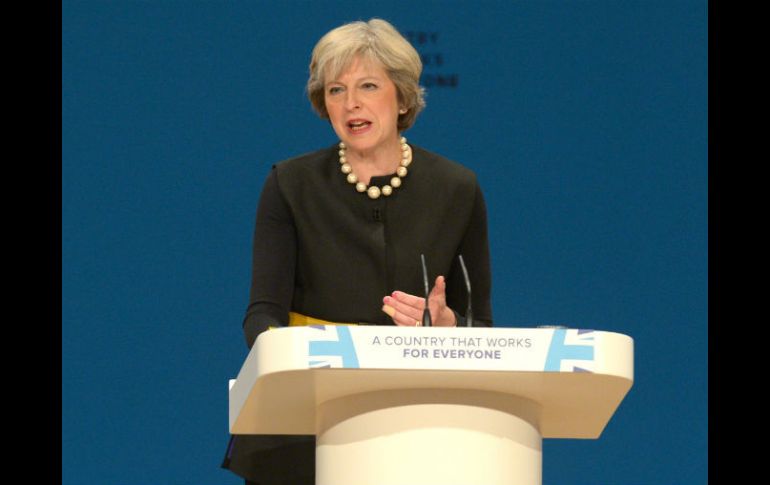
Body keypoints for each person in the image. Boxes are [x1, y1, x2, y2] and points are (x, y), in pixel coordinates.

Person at [221, 18, 493, 485]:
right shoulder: (290, 184)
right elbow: (261, 316)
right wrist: (301, 362)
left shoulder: (457, 188)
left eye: (368, 85)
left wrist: (447, 328)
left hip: (419, 421)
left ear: (402, 95)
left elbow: (478, 324)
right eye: (335, 90)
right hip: (303, 424)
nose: (352, 104)